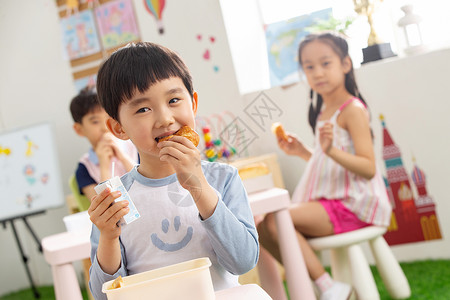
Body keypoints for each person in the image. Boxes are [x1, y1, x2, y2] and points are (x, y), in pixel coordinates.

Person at [88, 42, 259, 299]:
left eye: (174, 100)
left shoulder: (222, 179)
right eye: (143, 109)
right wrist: (109, 237)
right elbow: (104, 296)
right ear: (118, 128)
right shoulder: (117, 197)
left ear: (193, 103)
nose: (165, 118)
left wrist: (199, 186)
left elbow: (244, 261)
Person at [258, 33, 392, 300]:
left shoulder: (352, 109)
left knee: (275, 220)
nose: (317, 72)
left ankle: (328, 287)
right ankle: (325, 285)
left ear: (345, 64)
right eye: (309, 67)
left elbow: (367, 168)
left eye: (325, 63)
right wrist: (304, 152)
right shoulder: (324, 109)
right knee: (263, 226)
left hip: (354, 204)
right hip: (335, 200)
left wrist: (329, 150)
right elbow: (332, 167)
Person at [70, 86, 139, 202]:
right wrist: (104, 166)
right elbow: (105, 206)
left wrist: (122, 157)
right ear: (79, 129)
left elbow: (149, 181)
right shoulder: (84, 168)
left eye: (109, 117)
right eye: (95, 122)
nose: (105, 127)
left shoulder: (136, 145)